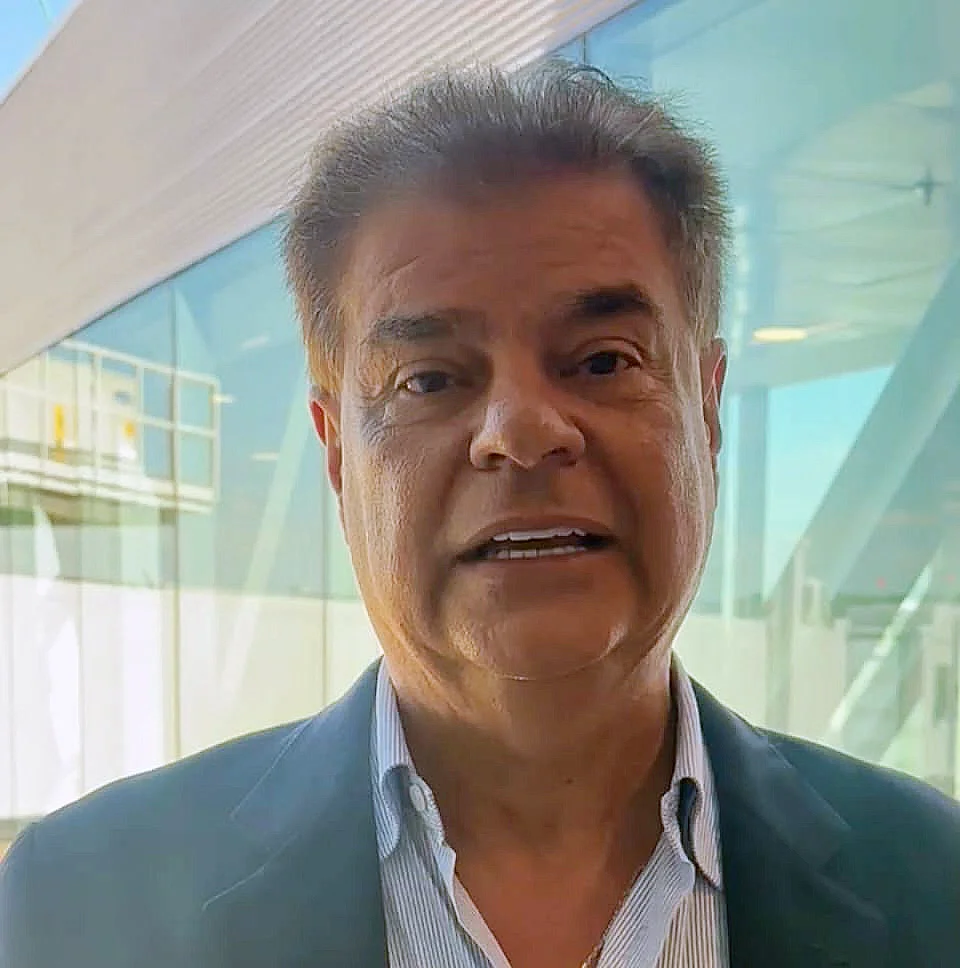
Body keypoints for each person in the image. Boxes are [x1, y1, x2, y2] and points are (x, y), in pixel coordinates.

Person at [2, 63, 958, 968]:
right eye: (428, 379)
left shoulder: (936, 884)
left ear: (706, 409)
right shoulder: (79, 907)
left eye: (603, 360)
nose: (521, 433)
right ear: (335, 451)